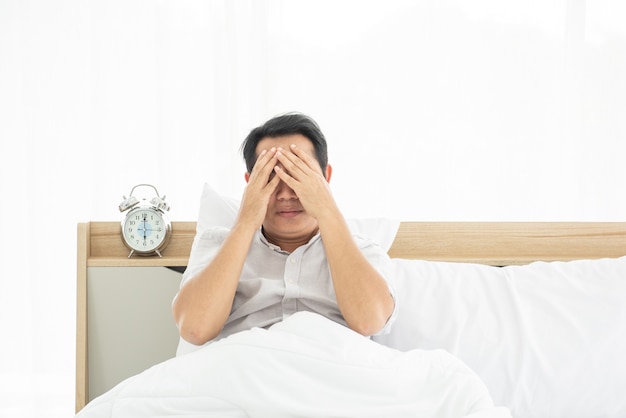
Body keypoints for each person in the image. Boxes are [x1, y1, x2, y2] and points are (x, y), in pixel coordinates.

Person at [172, 112, 397, 348]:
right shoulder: (217, 245)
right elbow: (194, 328)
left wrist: (328, 211)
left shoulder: (363, 251)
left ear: (325, 177)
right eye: (271, 177)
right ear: (251, 182)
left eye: (298, 174)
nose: (286, 194)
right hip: (244, 374)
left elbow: (370, 322)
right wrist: (246, 222)